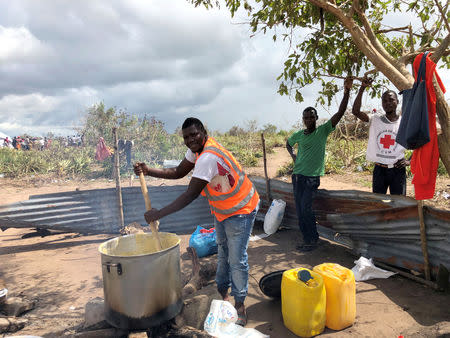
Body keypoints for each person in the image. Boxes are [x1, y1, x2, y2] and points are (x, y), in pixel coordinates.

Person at [133, 117, 259, 327]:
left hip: (241, 210)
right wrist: (149, 171)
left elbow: (190, 195)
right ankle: (221, 293)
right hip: (223, 210)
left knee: (237, 259)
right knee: (223, 252)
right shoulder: (197, 150)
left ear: (203, 132)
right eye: (186, 137)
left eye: (194, 135)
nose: (190, 139)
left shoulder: (208, 157)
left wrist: (159, 214)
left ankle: (239, 304)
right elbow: (177, 172)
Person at [286, 77, 353, 252]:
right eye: (306, 117)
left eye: (311, 117)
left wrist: (346, 91)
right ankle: (308, 238)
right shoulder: (299, 135)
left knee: (307, 209)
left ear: (316, 118)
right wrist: (293, 154)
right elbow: (288, 143)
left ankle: (312, 239)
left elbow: (340, 112)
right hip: (297, 177)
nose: (308, 120)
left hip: (311, 178)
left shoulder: (322, 131)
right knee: (300, 211)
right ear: (303, 119)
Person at [351, 78, 409, 195]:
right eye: (384, 101)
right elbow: (356, 111)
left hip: (398, 170)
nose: (387, 103)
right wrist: (362, 88)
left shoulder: (404, 122)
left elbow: (419, 142)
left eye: (391, 100)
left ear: (397, 102)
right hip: (379, 170)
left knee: (398, 205)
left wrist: (409, 161)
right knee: (378, 204)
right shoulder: (375, 119)